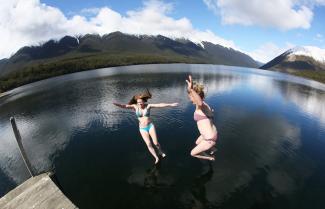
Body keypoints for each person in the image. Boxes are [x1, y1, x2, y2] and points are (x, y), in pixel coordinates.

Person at [113, 89, 178, 164]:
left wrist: (170, 104)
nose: (140, 104)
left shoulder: (148, 106)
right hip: (142, 129)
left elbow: (159, 105)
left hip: (150, 126)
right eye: (138, 102)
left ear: (144, 101)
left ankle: (160, 152)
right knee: (148, 144)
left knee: (156, 143)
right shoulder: (135, 107)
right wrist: (117, 104)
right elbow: (125, 106)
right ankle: (156, 157)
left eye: (141, 102)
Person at [186, 75, 217, 161]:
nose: (190, 99)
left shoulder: (201, 105)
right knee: (197, 142)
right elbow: (209, 115)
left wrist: (191, 89)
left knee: (192, 153)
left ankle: (210, 158)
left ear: (196, 97)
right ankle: (213, 149)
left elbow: (199, 102)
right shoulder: (205, 106)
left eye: (190, 97)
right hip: (210, 134)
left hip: (209, 139)